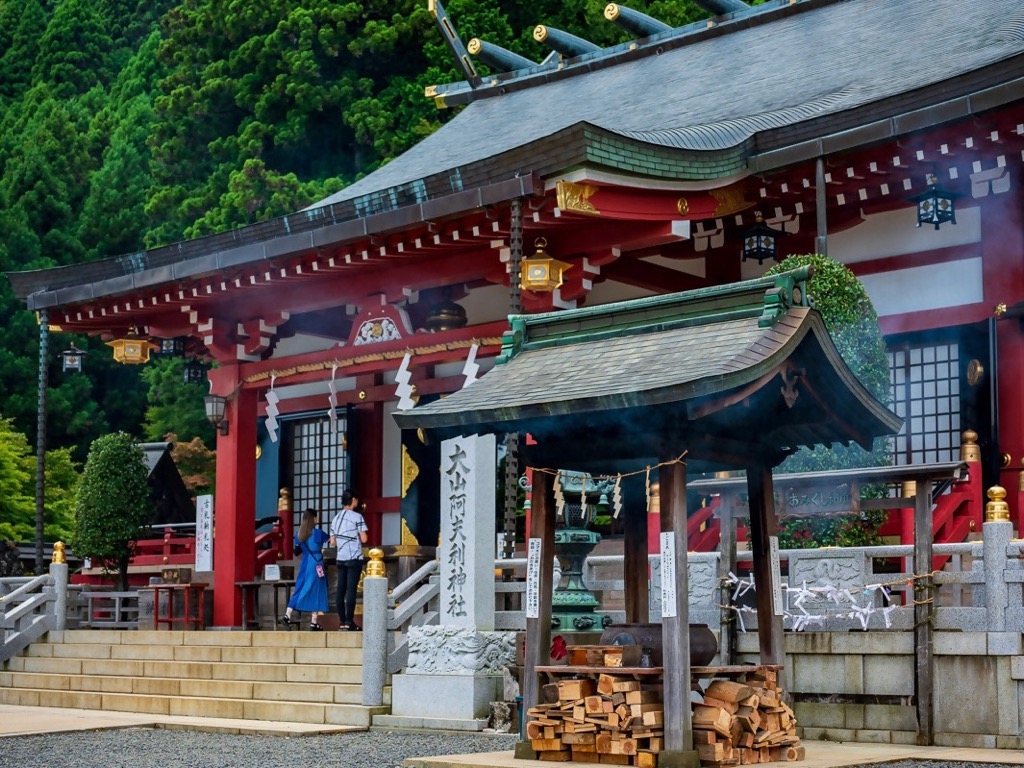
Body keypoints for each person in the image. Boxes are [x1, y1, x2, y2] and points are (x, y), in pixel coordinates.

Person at [280, 508, 329, 631]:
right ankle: (313, 622)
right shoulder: (318, 533)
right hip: (316, 562)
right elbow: (332, 541)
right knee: (317, 590)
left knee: (300, 588)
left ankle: (287, 614)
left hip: (305, 563)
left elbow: (296, 552)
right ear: (313, 519)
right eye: (316, 517)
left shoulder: (298, 535)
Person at [329, 490, 368, 631]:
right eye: (356, 500)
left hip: (341, 557)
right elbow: (364, 539)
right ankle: (349, 621)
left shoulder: (336, 518)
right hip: (354, 557)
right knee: (351, 590)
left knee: (341, 590)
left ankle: (342, 622)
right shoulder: (357, 517)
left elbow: (332, 542)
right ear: (353, 500)